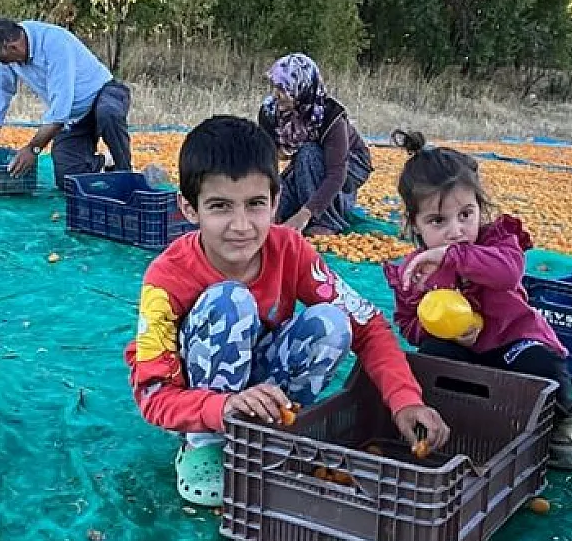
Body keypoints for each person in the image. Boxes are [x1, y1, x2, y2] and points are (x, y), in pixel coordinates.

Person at [125, 115, 449, 507]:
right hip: (203, 400)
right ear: (189, 208)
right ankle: (205, 443)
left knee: (332, 322)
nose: (241, 226)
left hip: (264, 385)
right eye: (220, 206)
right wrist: (220, 407)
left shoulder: (290, 250)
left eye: (255, 204)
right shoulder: (165, 278)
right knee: (229, 300)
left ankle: (274, 426)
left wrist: (405, 400)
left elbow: (367, 325)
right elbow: (154, 393)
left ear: (276, 202)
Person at [383, 132, 572, 471]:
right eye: (438, 221)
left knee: (541, 365)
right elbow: (407, 323)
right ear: (414, 225)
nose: (456, 231)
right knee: (432, 356)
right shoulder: (415, 272)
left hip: (512, 343)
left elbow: (507, 273)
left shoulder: (497, 244)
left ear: (480, 209)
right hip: (464, 353)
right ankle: (459, 423)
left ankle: (562, 424)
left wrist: (452, 257)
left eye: (466, 214)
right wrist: (439, 329)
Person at [0, 17, 133, 187]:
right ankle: (105, 163)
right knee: (67, 180)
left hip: (105, 93)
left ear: (13, 47)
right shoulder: (6, 50)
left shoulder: (55, 44)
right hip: (75, 118)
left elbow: (60, 109)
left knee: (108, 112)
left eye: (0, 59)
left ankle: (126, 174)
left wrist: (33, 149)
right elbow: (0, 91)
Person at [258, 53, 373, 235]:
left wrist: (305, 214)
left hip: (349, 165)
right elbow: (268, 162)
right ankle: (305, 201)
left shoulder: (329, 116)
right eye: (274, 87)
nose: (275, 94)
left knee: (308, 152)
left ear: (301, 89)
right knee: (275, 211)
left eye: (282, 89)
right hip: (304, 166)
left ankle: (327, 220)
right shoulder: (270, 112)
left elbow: (337, 173)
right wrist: (272, 202)